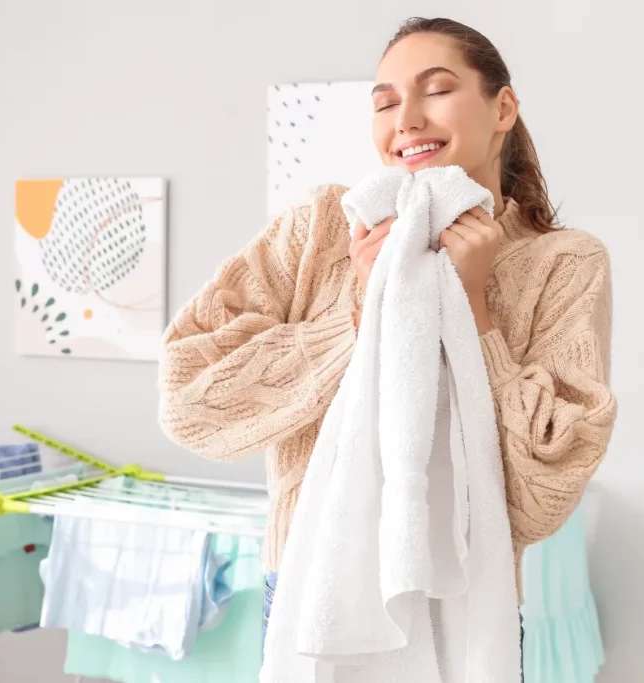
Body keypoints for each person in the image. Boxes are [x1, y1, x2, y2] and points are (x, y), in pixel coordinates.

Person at [157, 16, 618, 661]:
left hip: (472, 605)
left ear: (503, 106)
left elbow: (542, 498)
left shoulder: (564, 263)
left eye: (435, 90)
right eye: (385, 102)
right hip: (307, 588)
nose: (406, 118)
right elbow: (190, 400)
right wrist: (359, 307)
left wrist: (477, 310)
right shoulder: (320, 229)